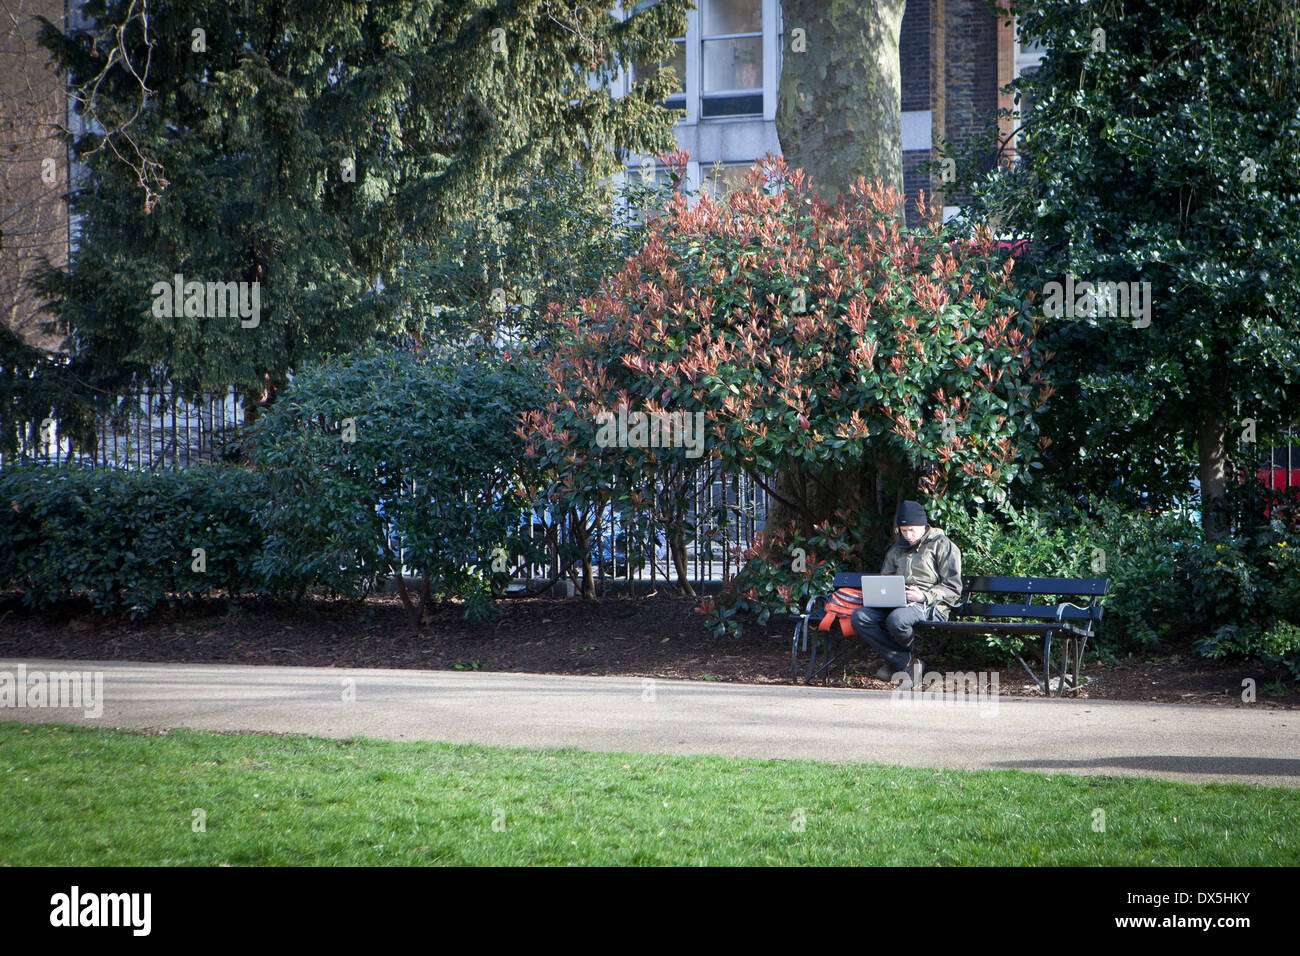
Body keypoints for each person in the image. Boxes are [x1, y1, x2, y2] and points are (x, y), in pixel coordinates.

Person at [850, 500, 962, 687]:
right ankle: (905, 662)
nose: (908, 535)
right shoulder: (896, 549)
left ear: (924, 526)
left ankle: (897, 662)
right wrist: (884, 594)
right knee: (860, 617)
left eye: (912, 530)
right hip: (897, 602)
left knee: (897, 620)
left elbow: (953, 587)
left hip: (929, 604)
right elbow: (885, 579)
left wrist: (924, 596)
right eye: (904, 531)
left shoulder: (942, 545)